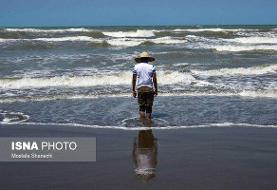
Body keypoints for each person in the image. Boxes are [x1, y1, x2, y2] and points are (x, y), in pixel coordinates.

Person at [132, 51, 158, 120]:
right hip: (149, 89)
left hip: (140, 88)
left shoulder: (136, 67)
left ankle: (142, 122)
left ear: (140, 59)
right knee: (149, 107)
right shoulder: (152, 67)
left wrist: (133, 90)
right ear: (148, 59)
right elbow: (154, 79)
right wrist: (156, 89)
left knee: (141, 107)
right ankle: (148, 121)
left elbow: (134, 79)